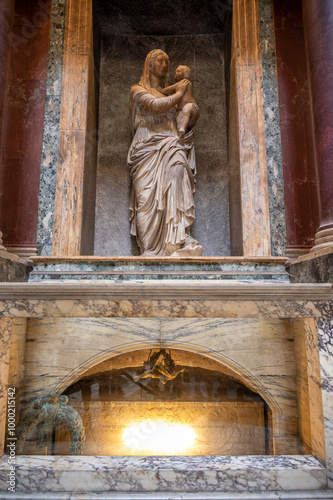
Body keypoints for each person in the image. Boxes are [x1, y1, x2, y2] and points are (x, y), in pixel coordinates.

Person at [127, 49, 202, 257]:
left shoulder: (171, 95)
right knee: (145, 197)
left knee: (179, 173)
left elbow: (185, 117)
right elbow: (154, 105)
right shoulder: (137, 90)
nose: (164, 65)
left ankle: (177, 239)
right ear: (149, 65)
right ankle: (150, 249)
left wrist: (191, 109)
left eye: (166, 62)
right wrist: (180, 93)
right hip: (146, 147)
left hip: (170, 144)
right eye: (159, 61)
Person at [161, 65, 200, 136]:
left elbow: (167, 90)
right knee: (179, 122)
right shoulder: (179, 85)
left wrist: (160, 90)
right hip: (180, 110)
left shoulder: (183, 82)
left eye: (178, 71)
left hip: (191, 106)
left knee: (186, 110)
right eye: (175, 71)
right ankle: (182, 133)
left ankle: (182, 127)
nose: (176, 73)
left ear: (185, 74)